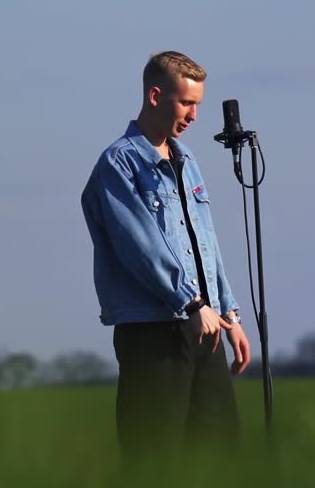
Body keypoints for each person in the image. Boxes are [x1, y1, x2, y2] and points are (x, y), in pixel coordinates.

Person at [82, 51, 252, 452]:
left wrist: (230, 313)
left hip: (205, 327)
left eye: (198, 104)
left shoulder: (187, 159)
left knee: (221, 457)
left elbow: (205, 241)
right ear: (155, 96)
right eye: (186, 102)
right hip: (151, 332)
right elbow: (140, 247)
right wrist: (191, 303)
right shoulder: (117, 165)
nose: (194, 115)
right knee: (155, 464)